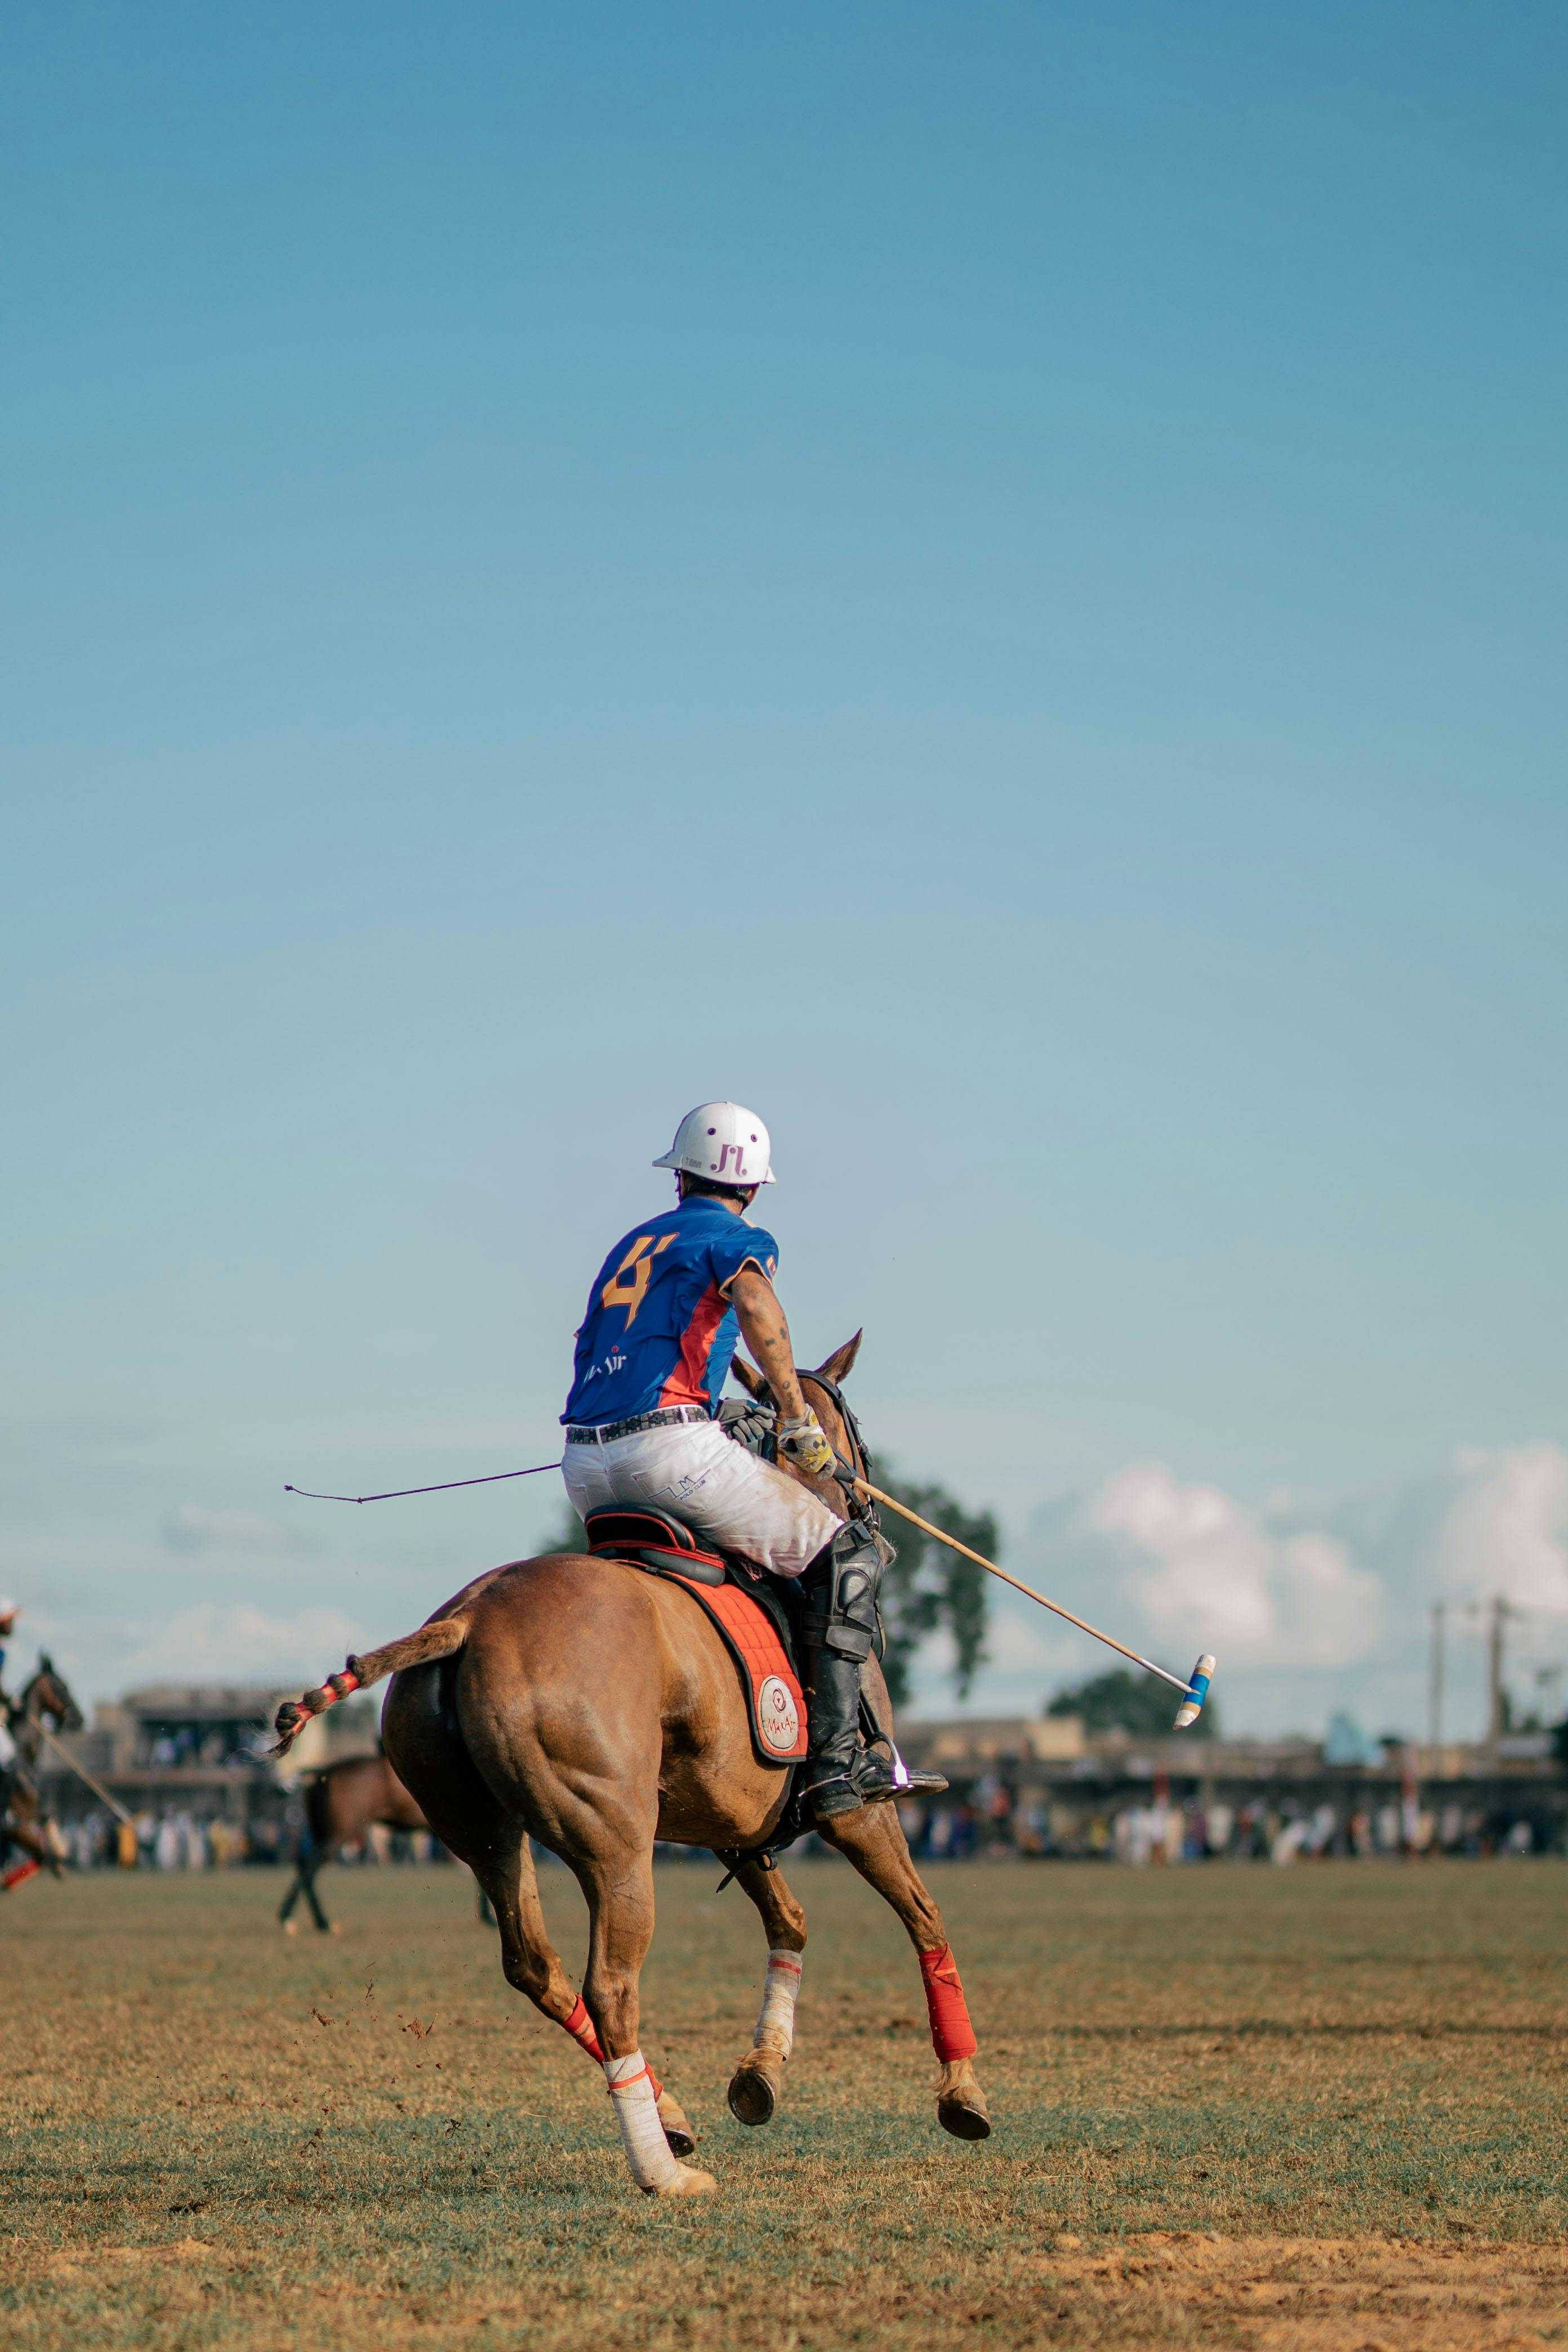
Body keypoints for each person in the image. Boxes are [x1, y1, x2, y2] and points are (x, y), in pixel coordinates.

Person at [561, 1102, 932, 1819]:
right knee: (849, 1551)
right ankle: (835, 1766)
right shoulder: (740, 1237)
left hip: (583, 1465)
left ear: (679, 1178)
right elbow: (759, 1309)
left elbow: (598, 1343)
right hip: (669, 1449)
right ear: (754, 1187)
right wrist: (795, 1419)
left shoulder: (630, 1245)